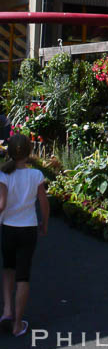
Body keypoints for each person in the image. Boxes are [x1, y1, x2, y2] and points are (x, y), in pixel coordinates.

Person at [0, 133, 49, 337]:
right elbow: (44, 203)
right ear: (29, 153)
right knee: (23, 276)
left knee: (8, 268)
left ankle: (7, 311)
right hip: (27, 229)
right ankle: (18, 324)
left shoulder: (3, 175)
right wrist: (44, 224)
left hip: (8, 228)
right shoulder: (36, 175)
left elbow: (1, 204)